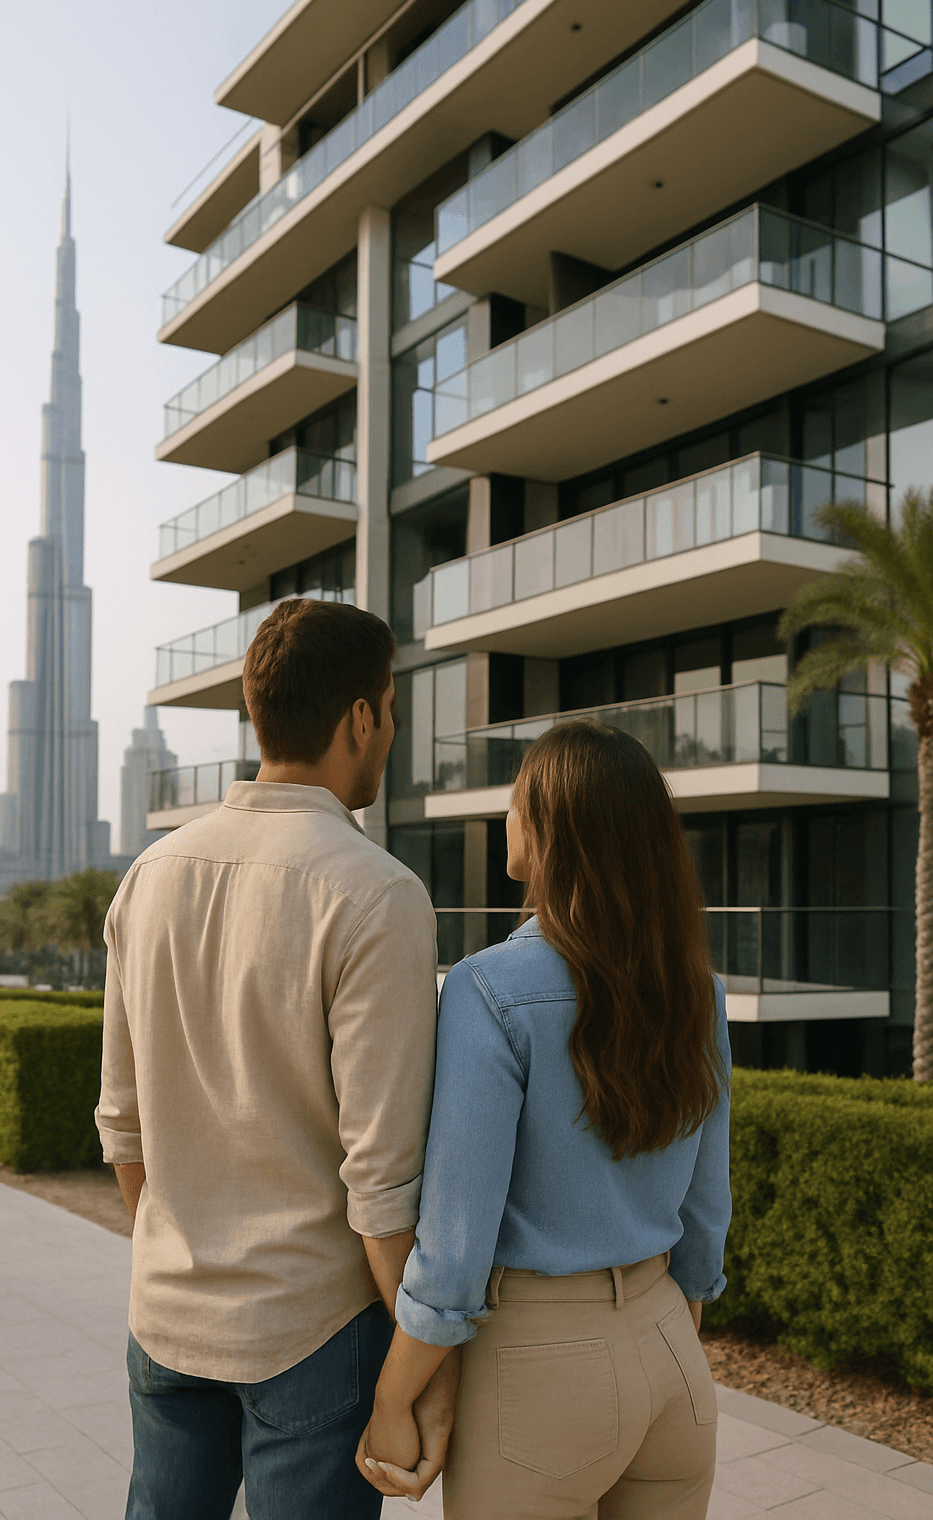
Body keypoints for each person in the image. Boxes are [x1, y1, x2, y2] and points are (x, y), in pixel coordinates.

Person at [95, 597, 458, 1520]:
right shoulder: (377, 895)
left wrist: (181, 1255)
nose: (392, 734)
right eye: (391, 710)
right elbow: (381, 1182)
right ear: (363, 718)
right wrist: (427, 1370)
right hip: (313, 1328)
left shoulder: (150, 877)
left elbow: (122, 1125)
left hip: (166, 1317)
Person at [358, 717, 732, 1519]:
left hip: (540, 1369)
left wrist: (395, 1395)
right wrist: (671, 1316)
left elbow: (456, 1240)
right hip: (671, 1350)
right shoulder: (697, 988)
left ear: (553, 829)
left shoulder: (489, 989)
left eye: (518, 799)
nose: (507, 817)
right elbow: (707, 1201)